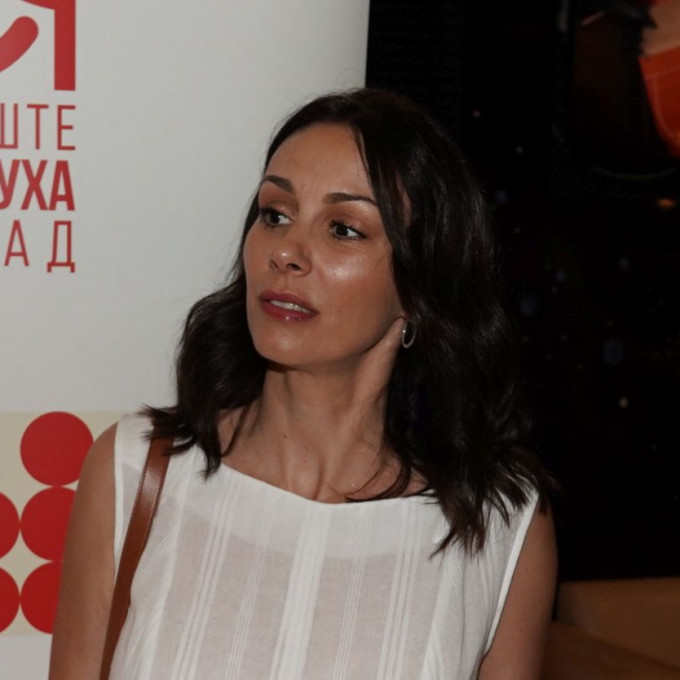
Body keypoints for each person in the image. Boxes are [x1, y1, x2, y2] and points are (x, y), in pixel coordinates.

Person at [49, 88, 557, 679]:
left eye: (343, 228)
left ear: (419, 288)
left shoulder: (499, 523)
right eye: (275, 214)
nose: (287, 251)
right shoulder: (136, 471)